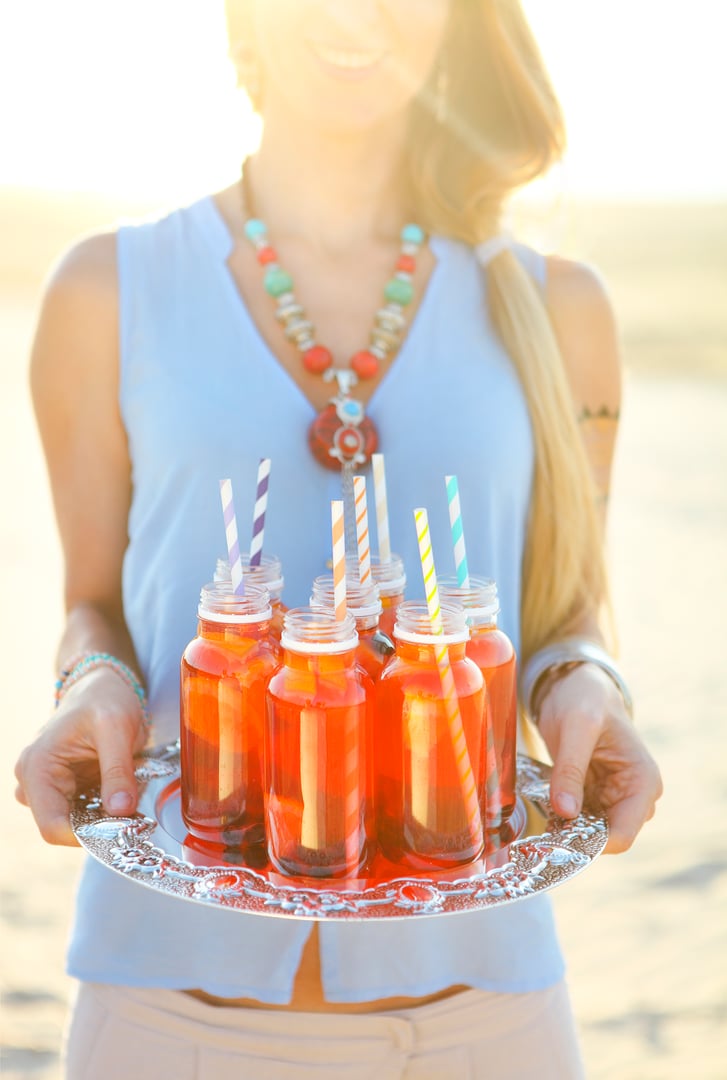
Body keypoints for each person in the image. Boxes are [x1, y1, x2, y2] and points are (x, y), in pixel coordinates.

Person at [14, 1, 663, 1076]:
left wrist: (588, 685)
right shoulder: (104, 290)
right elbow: (95, 609)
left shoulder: (560, 307)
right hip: (166, 1014)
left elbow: (567, 616)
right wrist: (91, 685)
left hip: (483, 1017)